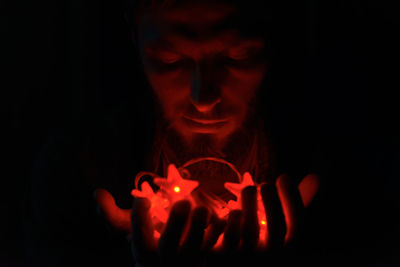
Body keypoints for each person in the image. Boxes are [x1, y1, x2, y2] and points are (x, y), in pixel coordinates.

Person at [94, 0, 320, 266]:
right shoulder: (84, 166)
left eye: (238, 56)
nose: (203, 97)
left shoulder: (329, 160)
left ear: (273, 39)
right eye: (170, 60)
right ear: (135, 40)